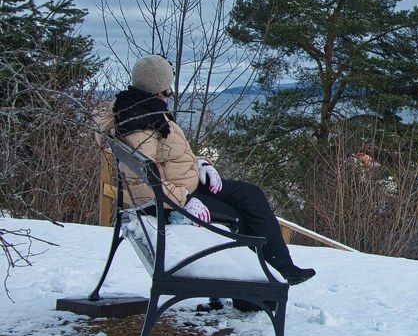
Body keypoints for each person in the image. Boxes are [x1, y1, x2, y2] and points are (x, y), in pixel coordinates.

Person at [107, 55, 315, 286]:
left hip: (186, 184)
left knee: (250, 194)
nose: (170, 93)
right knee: (236, 217)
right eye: (167, 89)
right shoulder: (138, 122)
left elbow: (169, 155)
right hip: (170, 201)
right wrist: (184, 201)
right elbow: (142, 183)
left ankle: (282, 266)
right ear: (157, 88)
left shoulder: (146, 110)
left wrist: (199, 163)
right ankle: (251, 291)